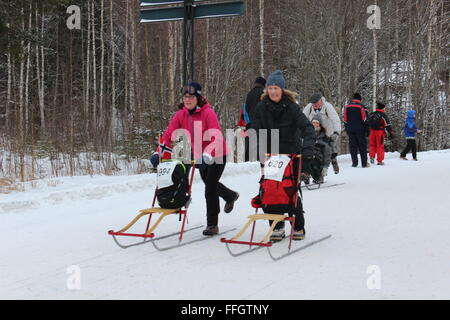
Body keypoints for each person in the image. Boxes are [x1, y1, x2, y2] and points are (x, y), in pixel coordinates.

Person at [150, 82, 240, 236]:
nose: (187, 100)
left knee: (209, 188)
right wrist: (158, 152)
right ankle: (230, 195)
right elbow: (168, 135)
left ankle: (212, 224)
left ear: (198, 98)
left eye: (191, 97)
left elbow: (216, 137)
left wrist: (207, 154)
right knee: (209, 183)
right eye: (185, 97)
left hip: (217, 154)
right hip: (201, 156)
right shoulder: (181, 114)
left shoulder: (207, 113)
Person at [250, 70, 315, 241]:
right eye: (270, 88)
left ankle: (298, 225)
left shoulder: (292, 107)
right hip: (271, 155)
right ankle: (277, 225)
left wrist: (307, 148)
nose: (273, 91)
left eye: (276, 88)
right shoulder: (261, 107)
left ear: (282, 89)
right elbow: (255, 127)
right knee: (270, 190)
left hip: (291, 155)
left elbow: (307, 128)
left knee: (290, 189)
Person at [303, 92, 341, 174]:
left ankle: (334, 161)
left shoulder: (327, 107)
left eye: (316, 103)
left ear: (321, 101)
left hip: (327, 131)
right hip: (314, 130)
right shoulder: (309, 107)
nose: (314, 105)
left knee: (330, 147)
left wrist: (336, 132)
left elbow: (335, 119)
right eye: (313, 104)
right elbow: (302, 118)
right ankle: (313, 169)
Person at [241, 77, 266, 161]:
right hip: (260, 124)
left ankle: (247, 164)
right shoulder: (263, 94)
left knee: (248, 146)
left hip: (250, 123)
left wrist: (248, 122)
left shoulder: (249, 93)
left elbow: (246, 109)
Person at [343, 93, 370, 168]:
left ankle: (354, 163)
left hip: (350, 129)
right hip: (360, 129)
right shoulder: (362, 107)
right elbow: (365, 120)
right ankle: (364, 163)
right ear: (360, 99)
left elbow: (345, 120)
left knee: (353, 146)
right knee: (362, 146)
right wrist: (367, 130)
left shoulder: (347, 107)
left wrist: (347, 129)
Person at [310, 114, 333, 184]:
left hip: (319, 157)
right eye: (313, 123)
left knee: (314, 160)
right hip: (308, 154)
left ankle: (318, 176)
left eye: (317, 123)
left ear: (320, 124)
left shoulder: (324, 137)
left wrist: (325, 166)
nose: (315, 125)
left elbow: (327, 153)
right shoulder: (306, 134)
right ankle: (305, 175)